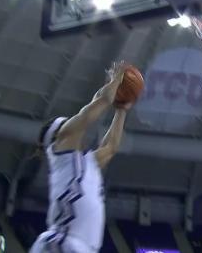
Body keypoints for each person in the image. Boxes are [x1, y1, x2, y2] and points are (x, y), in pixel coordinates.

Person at [30, 61, 133, 253]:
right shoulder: (60, 147)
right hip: (62, 241)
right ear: (58, 134)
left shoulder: (86, 162)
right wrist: (116, 79)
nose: (73, 124)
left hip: (83, 247)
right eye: (68, 123)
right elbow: (95, 107)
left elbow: (111, 147)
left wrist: (121, 110)